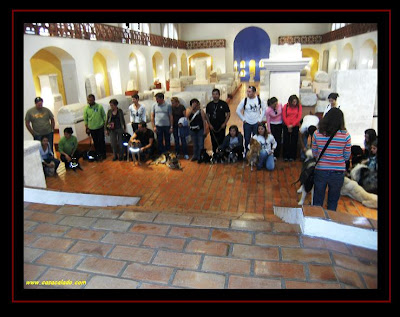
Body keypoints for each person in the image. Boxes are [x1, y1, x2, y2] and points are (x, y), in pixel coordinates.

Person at [312, 108, 351, 211]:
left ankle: (316, 220)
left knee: (318, 199)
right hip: (338, 171)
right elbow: (347, 156)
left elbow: (314, 153)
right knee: (333, 201)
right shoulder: (346, 136)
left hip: (321, 169)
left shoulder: (317, 133)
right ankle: (330, 220)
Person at [236, 86, 267, 156]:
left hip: (256, 123)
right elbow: (237, 110)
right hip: (247, 123)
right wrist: (243, 119)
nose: (248, 93)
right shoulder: (245, 100)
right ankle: (247, 153)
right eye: (247, 91)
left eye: (249, 92)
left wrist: (260, 119)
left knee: (256, 139)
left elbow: (264, 109)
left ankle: (256, 153)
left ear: (254, 92)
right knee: (247, 139)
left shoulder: (259, 100)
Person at [205, 88, 231, 153]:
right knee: (213, 140)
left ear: (219, 95)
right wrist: (209, 124)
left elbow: (228, 113)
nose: (215, 96)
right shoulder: (209, 105)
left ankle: (222, 153)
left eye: (216, 94)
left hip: (221, 125)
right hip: (212, 126)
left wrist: (225, 123)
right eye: (213, 94)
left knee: (222, 140)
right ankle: (215, 154)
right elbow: (207, 115)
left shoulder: (224, 104)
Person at [83, 94, 107, 160]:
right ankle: (98, 154)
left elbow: (104, 116)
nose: (89, 102)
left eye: (91, 100)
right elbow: (85, 119)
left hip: (100, 126)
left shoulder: (99, 107)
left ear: (94, 100)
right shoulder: (86, 109)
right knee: (96, 142)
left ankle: (103, 154)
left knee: (101, 141)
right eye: (88, 100)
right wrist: (87, 127)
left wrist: (105, 124)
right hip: (92, 128)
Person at [282, 94, 302, 162]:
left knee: (294, 141)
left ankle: (292, 156)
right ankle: (285, 156)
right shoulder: (286, 106)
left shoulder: (299, 107)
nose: (294, 103)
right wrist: (288, 125)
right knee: (286, 141)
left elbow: (299, 117)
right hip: (286, 125)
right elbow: (284, 116)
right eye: (293, 102)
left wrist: (292, 125)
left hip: (295, 125)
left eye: (295, 102)